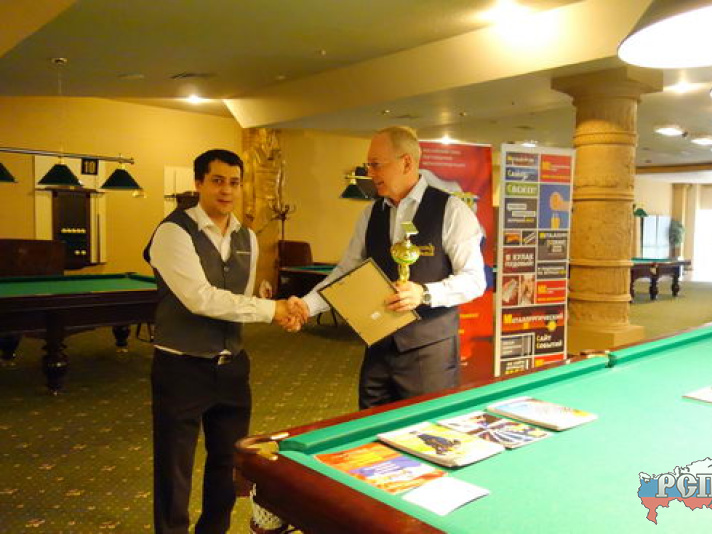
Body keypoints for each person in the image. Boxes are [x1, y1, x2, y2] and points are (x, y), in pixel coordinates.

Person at [143, 149, 303, 534]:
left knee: (228, 465)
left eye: (234, 182)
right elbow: (201, 298)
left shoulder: (247, 237)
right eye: (217, 181)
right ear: (198, 183)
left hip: (232, 368)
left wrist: (277, 308)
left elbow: (238, 301)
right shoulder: (172, 232)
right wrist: (273, 310)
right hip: (181, 368)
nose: (226, 190)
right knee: (174, 469)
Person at [295, 126, 486, 408]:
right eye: (368, 165)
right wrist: (307, 306)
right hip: (378, 345)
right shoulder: (371, 213)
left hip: (428, 351)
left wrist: (424, 293)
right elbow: (346, 272)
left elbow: (474, 280)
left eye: (376, 164)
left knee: (423, 428)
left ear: (406, 162)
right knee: (370, 425)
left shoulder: (451, 210)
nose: (370, 173)